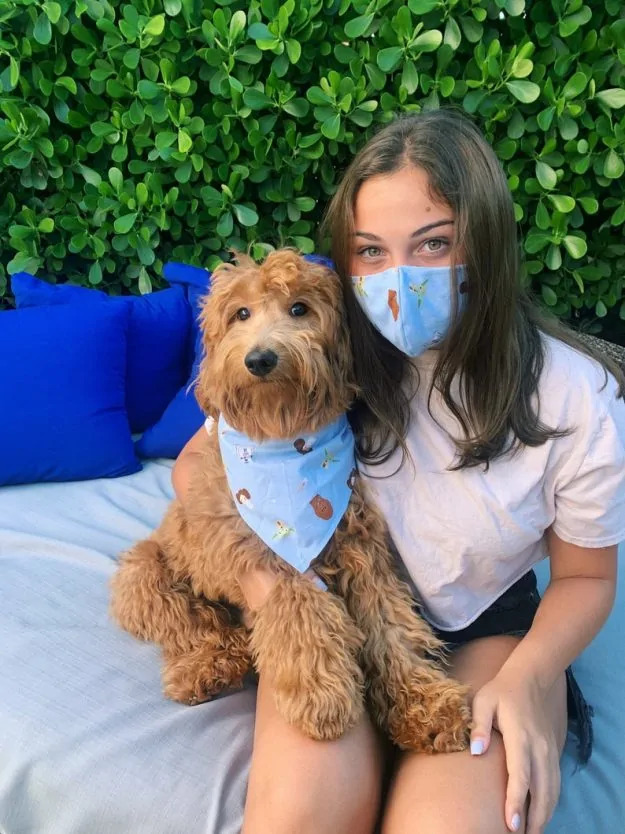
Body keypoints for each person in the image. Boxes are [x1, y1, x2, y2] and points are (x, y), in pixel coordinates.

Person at [172, 109, 625, 834]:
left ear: (486, 240)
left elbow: (585, 578)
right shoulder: (323, 338)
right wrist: (266, 592)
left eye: (434, 244)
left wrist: (531, 676)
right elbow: (202, 462)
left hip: (481, 630)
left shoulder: (574, 398)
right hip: (330, 610)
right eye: (371, 252)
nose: (399, 279)